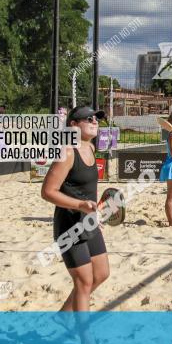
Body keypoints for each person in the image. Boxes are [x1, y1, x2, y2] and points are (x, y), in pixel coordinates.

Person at [40, 106, 109, 311]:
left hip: (88, 220)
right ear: (73, 125)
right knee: (84, 282)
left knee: (101, 273)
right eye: (89, 119)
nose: (95, 122)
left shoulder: (90, 148)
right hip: (69, 225)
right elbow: (47, 191)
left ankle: (63, 317)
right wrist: (80, 205)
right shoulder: (67, 151)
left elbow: (84, 190)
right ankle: (85, 341)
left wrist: (98, 208)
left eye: (96, 118)